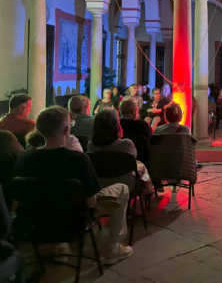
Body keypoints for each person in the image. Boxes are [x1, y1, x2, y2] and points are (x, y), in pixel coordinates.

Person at [15, 106, 133, 264]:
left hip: (36, 218)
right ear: (66, 130)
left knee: (55, 196)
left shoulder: (24, 158)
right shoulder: (78, 159)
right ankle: (114, 247)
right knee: (122, 189)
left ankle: (60, 246)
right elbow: (91, 201)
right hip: (75, 218)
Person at [88, 108, 138, 189]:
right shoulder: (126, 144)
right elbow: (133, 161)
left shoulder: (90, 145)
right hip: (124, 184)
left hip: (100, 183)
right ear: (116, 124)